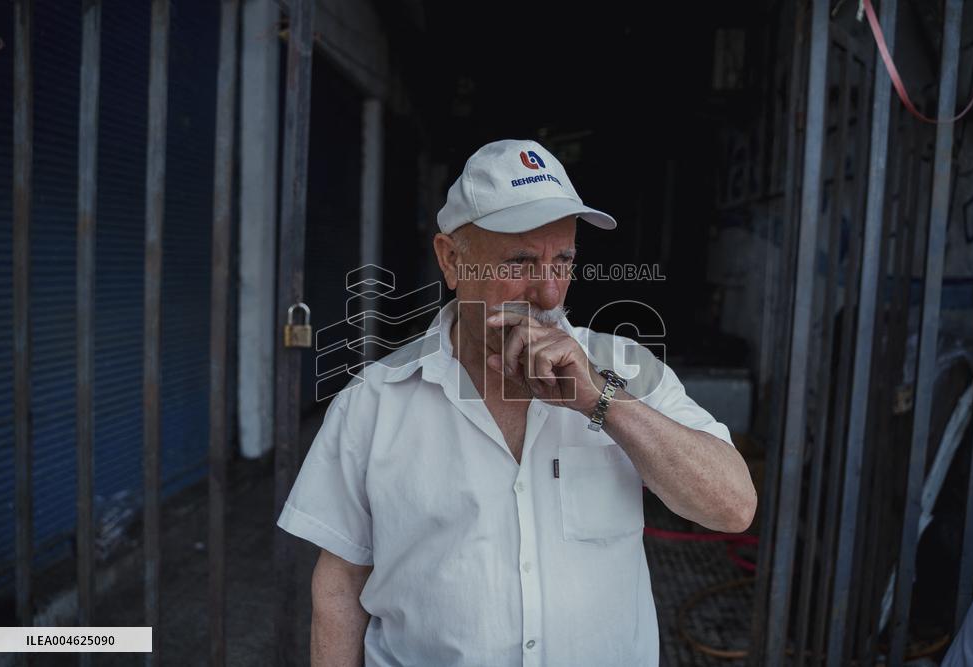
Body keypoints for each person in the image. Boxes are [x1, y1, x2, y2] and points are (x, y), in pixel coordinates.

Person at [276, 139, 757, 666]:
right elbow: (341, 585)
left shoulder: (626, 369)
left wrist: (604, 402)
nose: (550, 294)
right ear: (452, 260)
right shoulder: (374, 401)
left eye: (564, 259)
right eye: (522, 261)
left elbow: (732, 508)